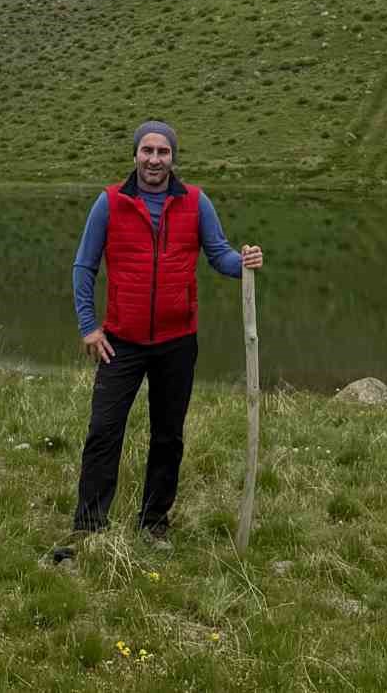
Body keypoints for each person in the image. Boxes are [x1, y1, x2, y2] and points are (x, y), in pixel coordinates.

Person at [64, 119, 263, 549]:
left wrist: (243, 261)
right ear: (135, 154)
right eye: (147, 151)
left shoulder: (195, 202)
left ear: (173, 158)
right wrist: (89, 326)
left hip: (177, 342)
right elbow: (84, 265)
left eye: (163, 152)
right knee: (103, 430)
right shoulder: (110, 203)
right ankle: (89, 526)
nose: (154, 159)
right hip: (121, 342)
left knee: (168, 435)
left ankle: (153, 523)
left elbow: (219, 255)